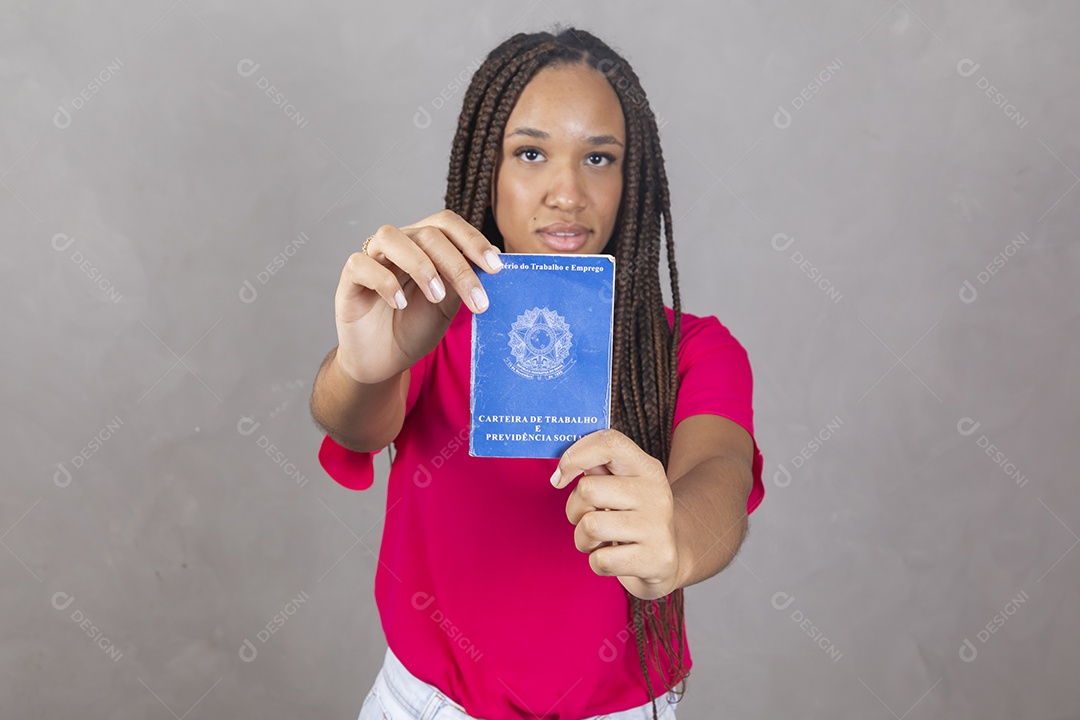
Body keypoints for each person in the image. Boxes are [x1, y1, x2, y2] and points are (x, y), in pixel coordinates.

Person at [309, 26, 765, 720]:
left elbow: (720, 476)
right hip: (428, 705)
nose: (567, 193)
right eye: (530, 152)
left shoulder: (693, 350)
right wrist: (366, 365)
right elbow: (350, 419)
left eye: (600, 159)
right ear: (484, 169)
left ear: (632, 179)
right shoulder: (432, 318)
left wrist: (677, 540)